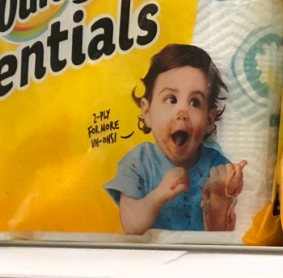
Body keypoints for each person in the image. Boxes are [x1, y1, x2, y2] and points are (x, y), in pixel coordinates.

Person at [105, 44, 247, 233]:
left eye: (194, 102)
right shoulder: (137, 163)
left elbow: (218, 237)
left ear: (208, 120)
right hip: (148, 260)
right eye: (171, 99)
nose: (182, 112)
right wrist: (160, 194)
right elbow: (131, 226)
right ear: (147, 112)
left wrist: (220, 199)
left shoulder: (216, 166)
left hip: (200, 260)